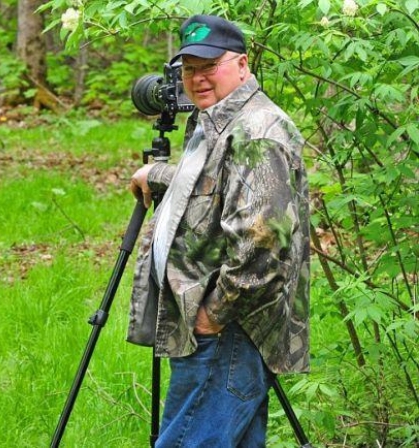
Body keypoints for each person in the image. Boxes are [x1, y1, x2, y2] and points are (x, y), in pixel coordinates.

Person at [126, 14, 310, 447]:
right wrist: (160, 174)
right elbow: (220, 187)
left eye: (210, 66)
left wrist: (212, 316)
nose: (197, 78)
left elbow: (263, 243)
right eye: (189, 69)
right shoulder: (221, 122)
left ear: (243, 65)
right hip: (217, 331)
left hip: (227, 331)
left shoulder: (258, 132)